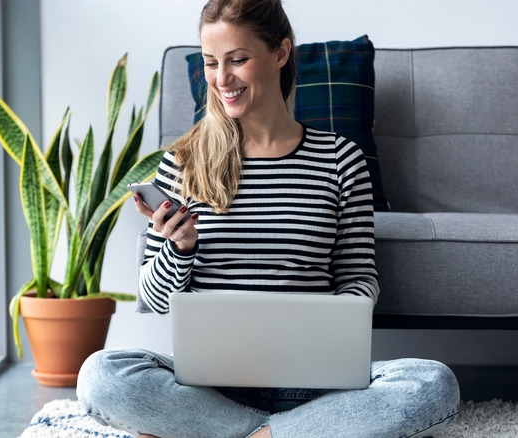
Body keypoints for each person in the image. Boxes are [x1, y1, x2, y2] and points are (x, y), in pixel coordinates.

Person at [77, 0, 460, 437]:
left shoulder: (339, 159)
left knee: (432, 383)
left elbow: (358, 278)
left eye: (238, 60)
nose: (222, 79)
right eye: (211, 63)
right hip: (208, 388)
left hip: (315, 385)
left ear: (280, 52)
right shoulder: (183, 162)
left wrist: (336, 319)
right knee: (100, 375)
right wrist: (178, 248)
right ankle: (289, 433)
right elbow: (154, 300)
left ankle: (228, 433)